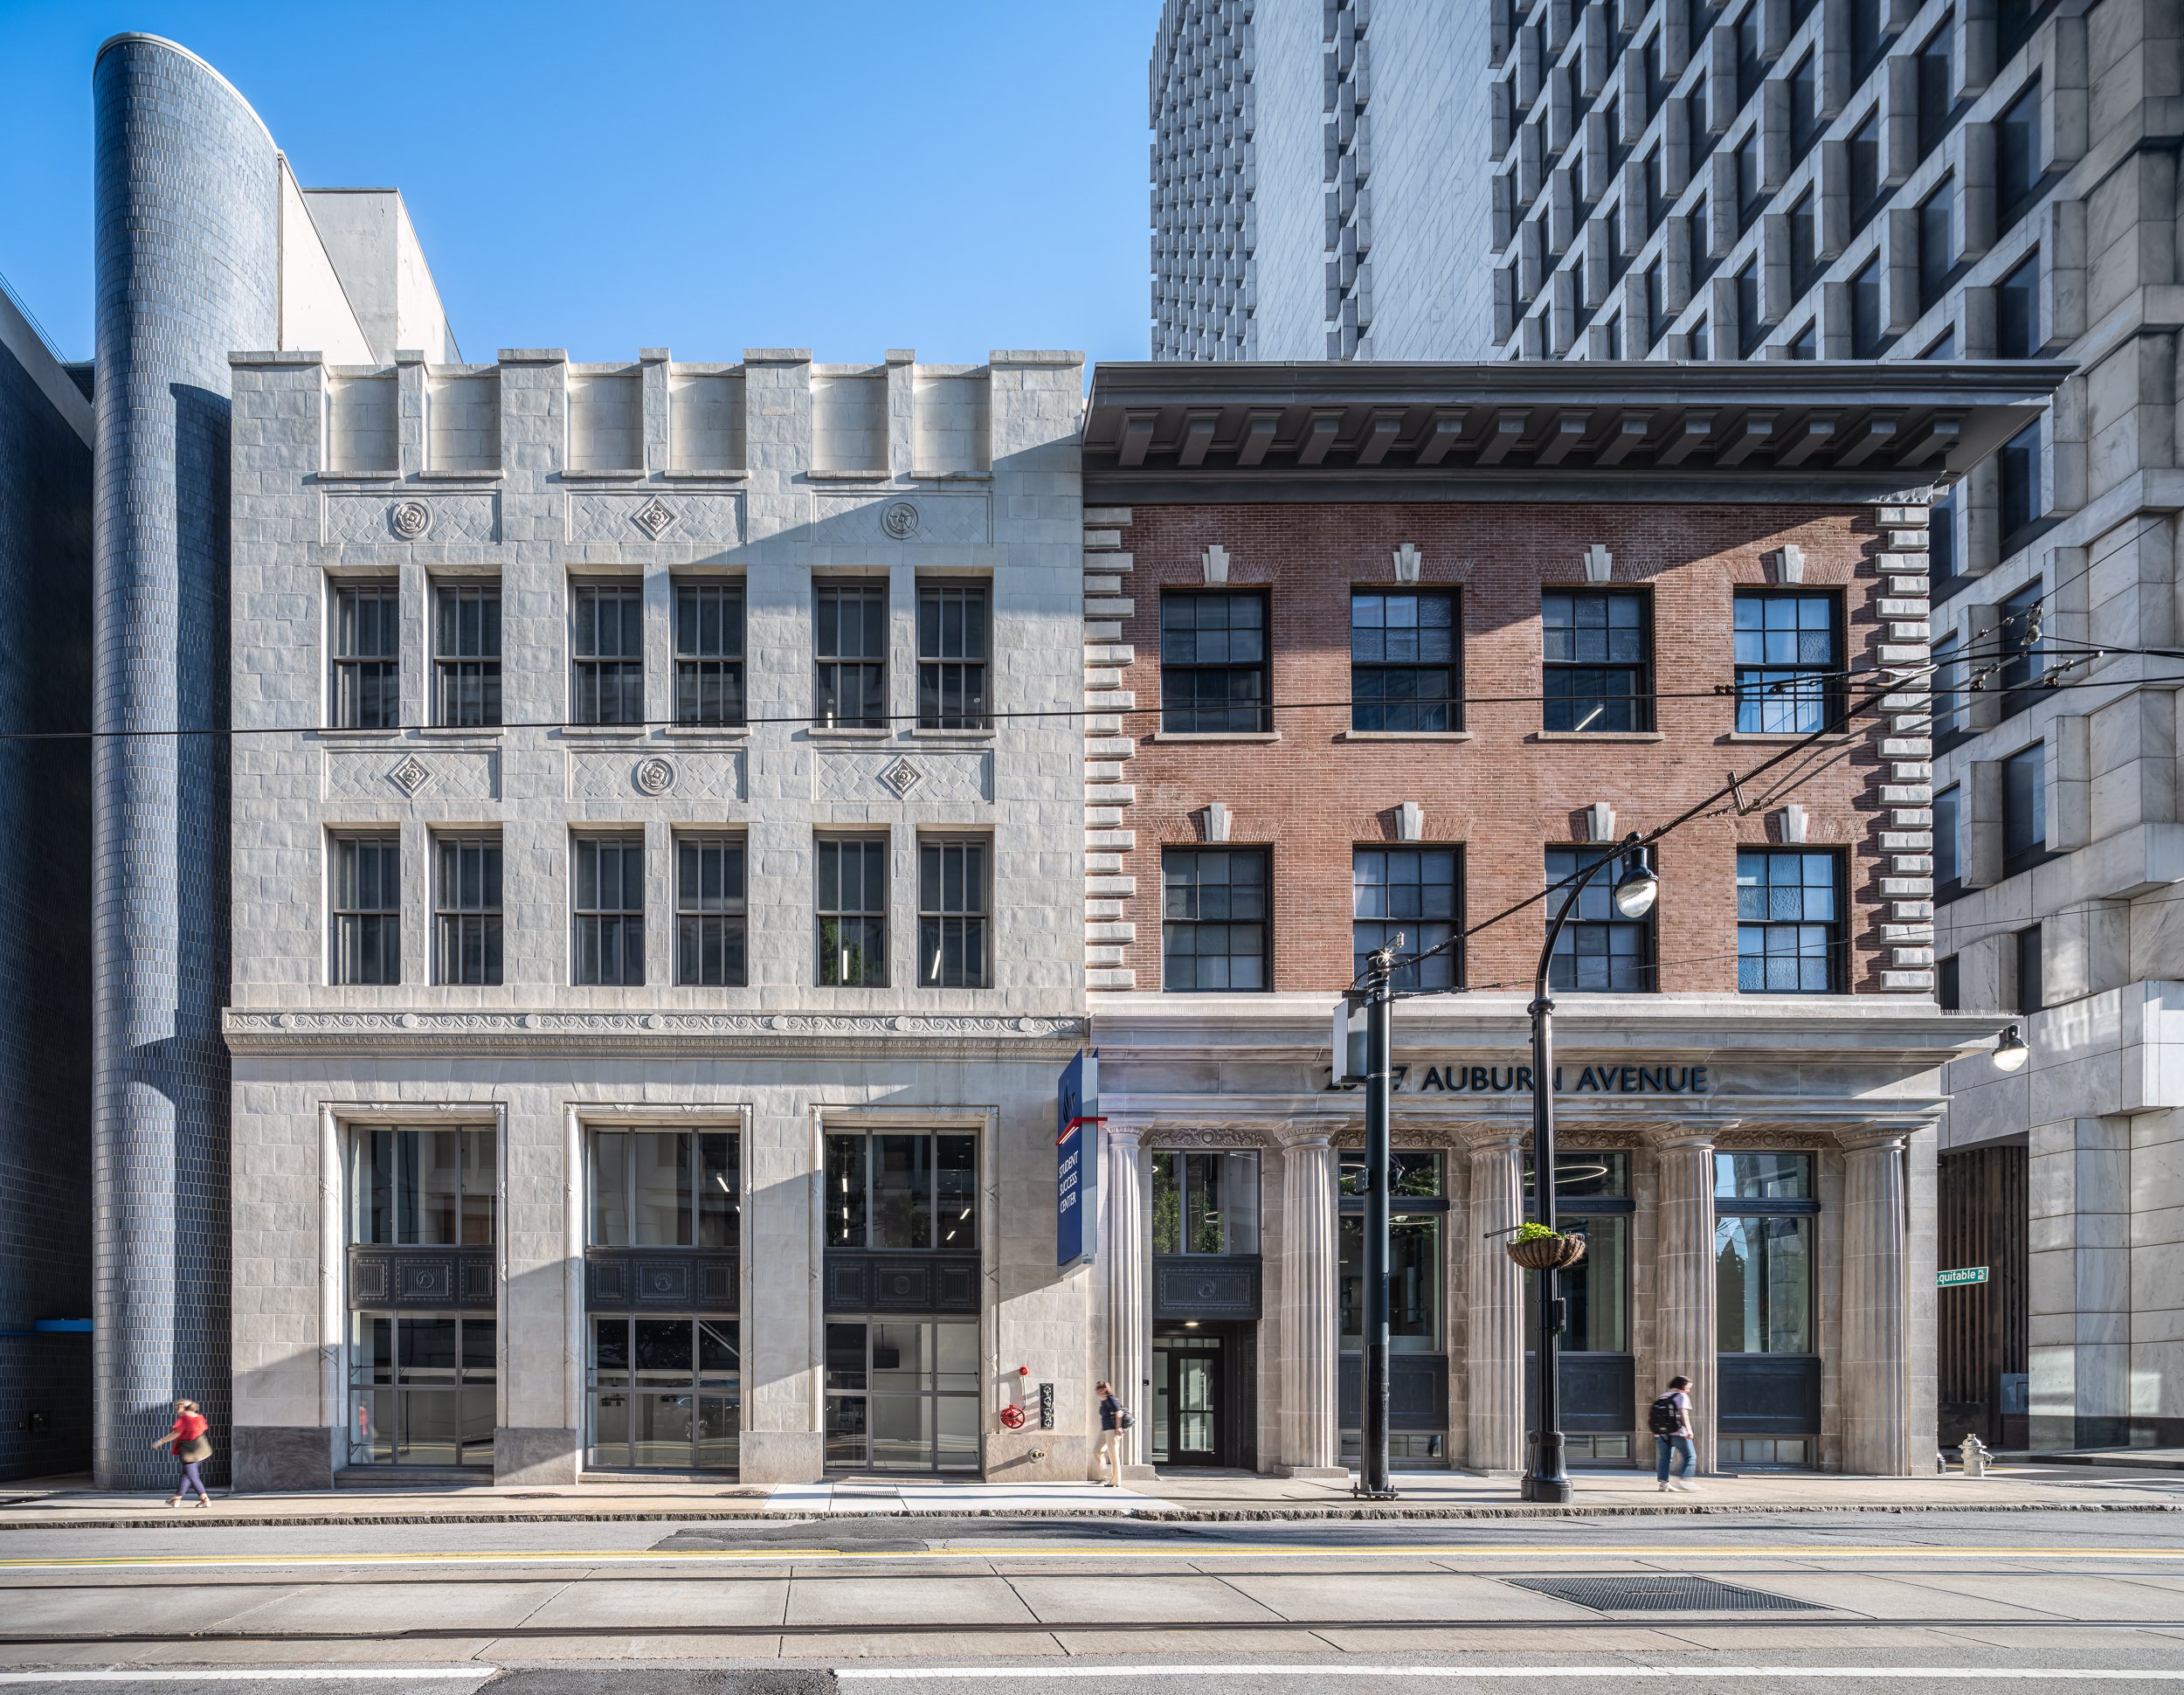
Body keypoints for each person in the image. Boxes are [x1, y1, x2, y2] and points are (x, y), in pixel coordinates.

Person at [153, 1399, 212, 1508]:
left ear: (184, 1407)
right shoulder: (199, 1417)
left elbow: (176, 1433)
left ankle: (205, 1499)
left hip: (189, 1452)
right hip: (202, 1451)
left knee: (192, 1475)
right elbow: (203, 1428)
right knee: (186, 1475)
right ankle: (177, 1499)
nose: (177, 1409)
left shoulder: (184, 1419)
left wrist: (161, 1442)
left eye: (178, 1406)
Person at [1650, 1374, 1698, 1492]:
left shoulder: (1663, 1396)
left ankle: (1663, 1484)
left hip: (1661, 1433)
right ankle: (1685, 1480)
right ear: (1682, 1386)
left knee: (1665, 1458)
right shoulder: (1682, 1396)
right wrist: (1689, 1430)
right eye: (1688, 1387)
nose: (1688, 1390)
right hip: (1678, 1432)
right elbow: (1683, 1414)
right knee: (1690, 1456)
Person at [1094, 1380, 1126, 1488]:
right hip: (1106, 1430)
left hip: (1113, 1430)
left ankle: (1115, 1481)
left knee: (1113, 1455)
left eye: (1098, 1388)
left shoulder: (1111, 1399)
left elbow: (1119, 1412)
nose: (1096, 1391)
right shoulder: (1104, 1401)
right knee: (1097, 1451)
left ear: (1105, 1389)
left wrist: (1118, 1428)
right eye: (1097, 1388)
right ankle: (1104, 1475)